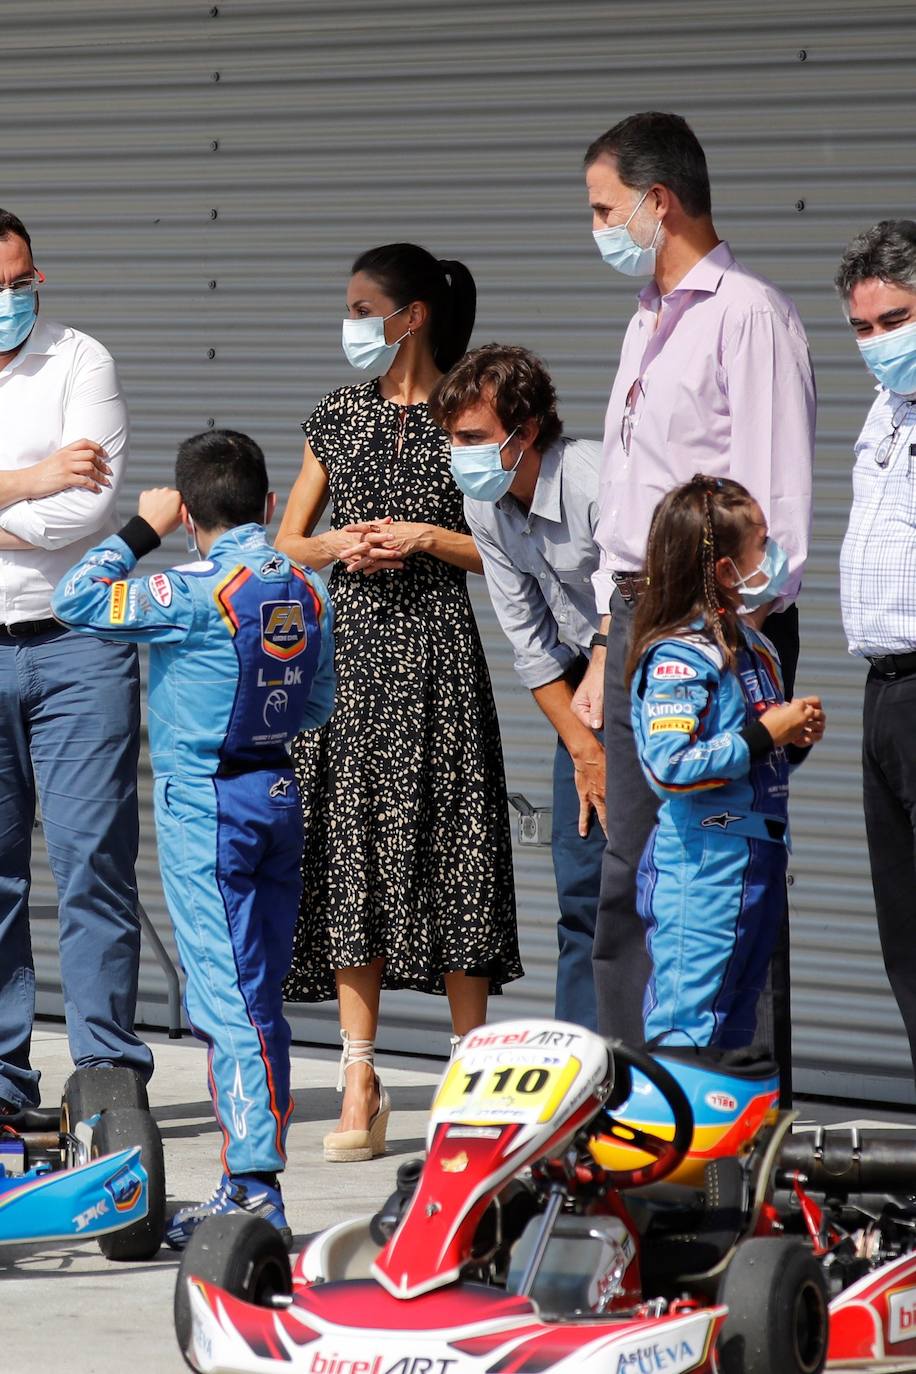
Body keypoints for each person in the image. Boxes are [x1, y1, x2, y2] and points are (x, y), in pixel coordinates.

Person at [51, 430, 335, 1247]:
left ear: (186, 515)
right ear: (271, 504)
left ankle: (251, 1187)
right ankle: (251, 1176)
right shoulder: (306, 586)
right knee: (258, 998)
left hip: (205, 805)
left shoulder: (189, 589)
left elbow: (76, 598)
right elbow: (317, 704)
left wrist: (136, 533)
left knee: (225, 1000)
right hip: (278, 794)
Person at [578, 112, 816, 1065]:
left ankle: (734, 1126)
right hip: (642, 616)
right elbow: (632, 501)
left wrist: (731, 641)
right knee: (633, 877)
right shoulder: (647, 315)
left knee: (730, 878)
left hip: (716, 630)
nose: (595, 227)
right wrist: (610, 635)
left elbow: (776, 507)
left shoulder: (746, 312)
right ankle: (636, 1112)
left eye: (603, 208)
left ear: (657, 201)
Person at [276, 243, 521, 1163]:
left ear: (409, 315)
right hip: (353, 664)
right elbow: (286, 540)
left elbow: (502, 545)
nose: (350, 322)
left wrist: (424, 536)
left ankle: (471, 1074)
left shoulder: (469, 415)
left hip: (440, 659)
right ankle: (359, 1073)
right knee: (352, 853)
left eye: (361, 305)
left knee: (456, 847)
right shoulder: (338, 416)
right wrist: (342, 544)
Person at [0, 208, 153, 1115]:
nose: (12, 300)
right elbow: (46, 500)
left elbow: (84, 516)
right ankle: (5, 1079)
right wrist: (26, 479)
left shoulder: (79, 360)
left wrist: (50, 493)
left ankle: (106, 1074)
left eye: (23, 283)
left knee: (93, 862)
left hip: (76, 647)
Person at [428, 343, 604, 1030]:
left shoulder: (595, 482)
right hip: (578, 691)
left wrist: (603, 734)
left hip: (658, 672)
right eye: (452, 439)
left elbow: (647, 602)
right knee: (582, 891)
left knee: (657, 896)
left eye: (472, 437)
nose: (458, 454)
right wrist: (585, 749)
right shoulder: (487, 506)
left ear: (525, 431)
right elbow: (530, 647)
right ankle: (585, 1081)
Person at [628, 476, 825, 1045]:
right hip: (703, 865)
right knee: (689, 1024)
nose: (774, 553)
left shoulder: (757, 644)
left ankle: (719, 1135)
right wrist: (767, 734)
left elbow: (761, 754)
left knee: (736, 1023)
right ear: (722, 571)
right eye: (762, 543)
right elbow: (670, 766)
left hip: (760, 856)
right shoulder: (678, 654)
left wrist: (795, 738)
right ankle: (666, 1132)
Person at [836, 219, 916, 1078]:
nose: (878, 343)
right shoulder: (888, 407)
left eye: (895, 319)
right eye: (862, 327)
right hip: (885, 691)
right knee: (905, 935)